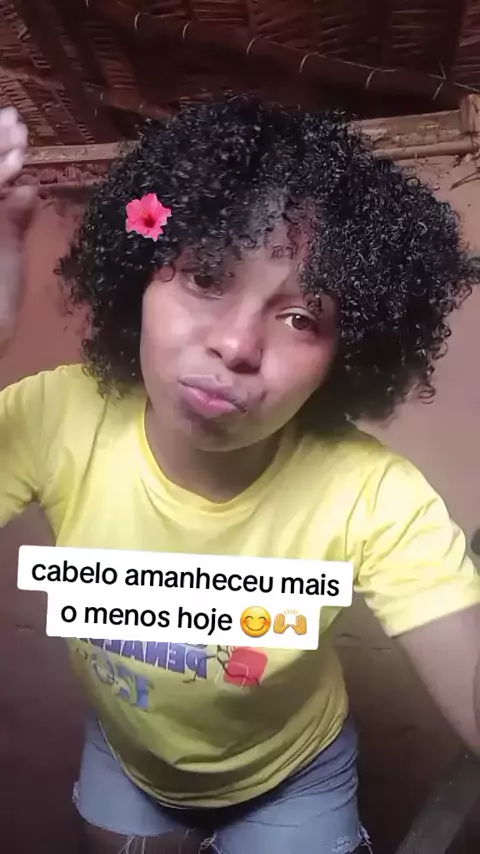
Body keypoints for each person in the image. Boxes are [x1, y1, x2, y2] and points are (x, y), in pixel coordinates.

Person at [1, 96, 480, 854]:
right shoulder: (58, 417)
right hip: (126, 760)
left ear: (345, 359)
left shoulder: (372, 496)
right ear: (139, 281)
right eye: (205, 277)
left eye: (301, 318)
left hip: (296, 777)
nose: (235, 344)